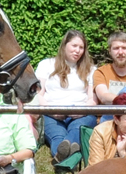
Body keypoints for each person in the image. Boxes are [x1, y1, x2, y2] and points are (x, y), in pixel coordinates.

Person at [35, 29, 97, 164]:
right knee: (58, 136)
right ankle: (69, 158)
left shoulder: (91, 70)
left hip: (81, 113)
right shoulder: (46, 64)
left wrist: (81, 112)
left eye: (81, 47)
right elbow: (38, 94)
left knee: (76, 131)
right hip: (51, 112)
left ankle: (64, 161)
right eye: (74, 46)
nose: (78, 51)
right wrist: (51, 111)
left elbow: (92, 100)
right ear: (64, 45)